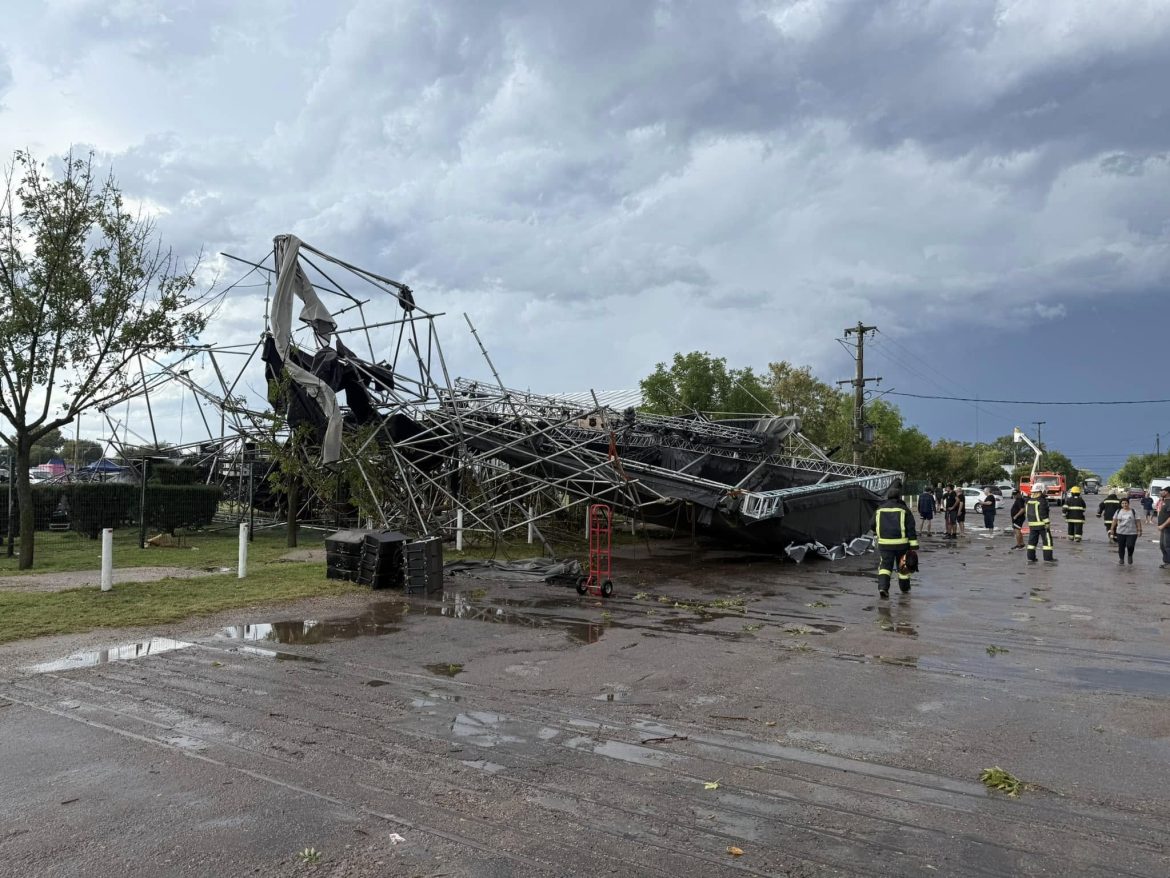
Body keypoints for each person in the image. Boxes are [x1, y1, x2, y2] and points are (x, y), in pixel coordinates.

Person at [874, 484, 919, 599]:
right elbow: (910, 527)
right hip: (901, 544)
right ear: (899, 497)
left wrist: (878, 533)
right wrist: (913, 545)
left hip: (884, 544)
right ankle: (904, 588)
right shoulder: (904, 509)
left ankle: (883, 588)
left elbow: (872, 524)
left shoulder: (879, 509)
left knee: (885, 566)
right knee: (902, 565)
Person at [1026, 485, 1056, 563]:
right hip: (1042, 525)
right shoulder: (1042, 501)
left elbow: (1027, 513)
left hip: (1032, 525)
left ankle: (1031, 558)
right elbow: (1043, 513)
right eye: (1045, 491)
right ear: (1041, 491)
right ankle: (1048, 558)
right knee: (1047, 541)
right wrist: (1047, 523)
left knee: (1032, 543)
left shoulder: (1029, 501)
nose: (1046, 492)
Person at [1110, 498, 1141, 565]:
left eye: (1126, 503)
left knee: (1130, 545)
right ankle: (1121, 559)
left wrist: (1139, 530)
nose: (1124, 505)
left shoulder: (1133, 511)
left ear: (1128, 503)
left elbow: (1138, 521)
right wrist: (1112, 529)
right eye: (1123, 503)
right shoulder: (1118, 511)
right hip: (1120, 532)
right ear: (1121, 504)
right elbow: (1114, 520)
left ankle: (1130, 555)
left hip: (1132, 532)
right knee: (1121, 546)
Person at [1158, 486, 1170, 568]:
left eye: (1162, 491)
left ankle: (1168, 563)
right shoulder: (1164, 501)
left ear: (1167, 492)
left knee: (1167, 546)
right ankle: (1166, 562)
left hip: (1168, 528)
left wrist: (1163, 525)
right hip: (1163, 528)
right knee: (1162, 545)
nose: (1160, 492)